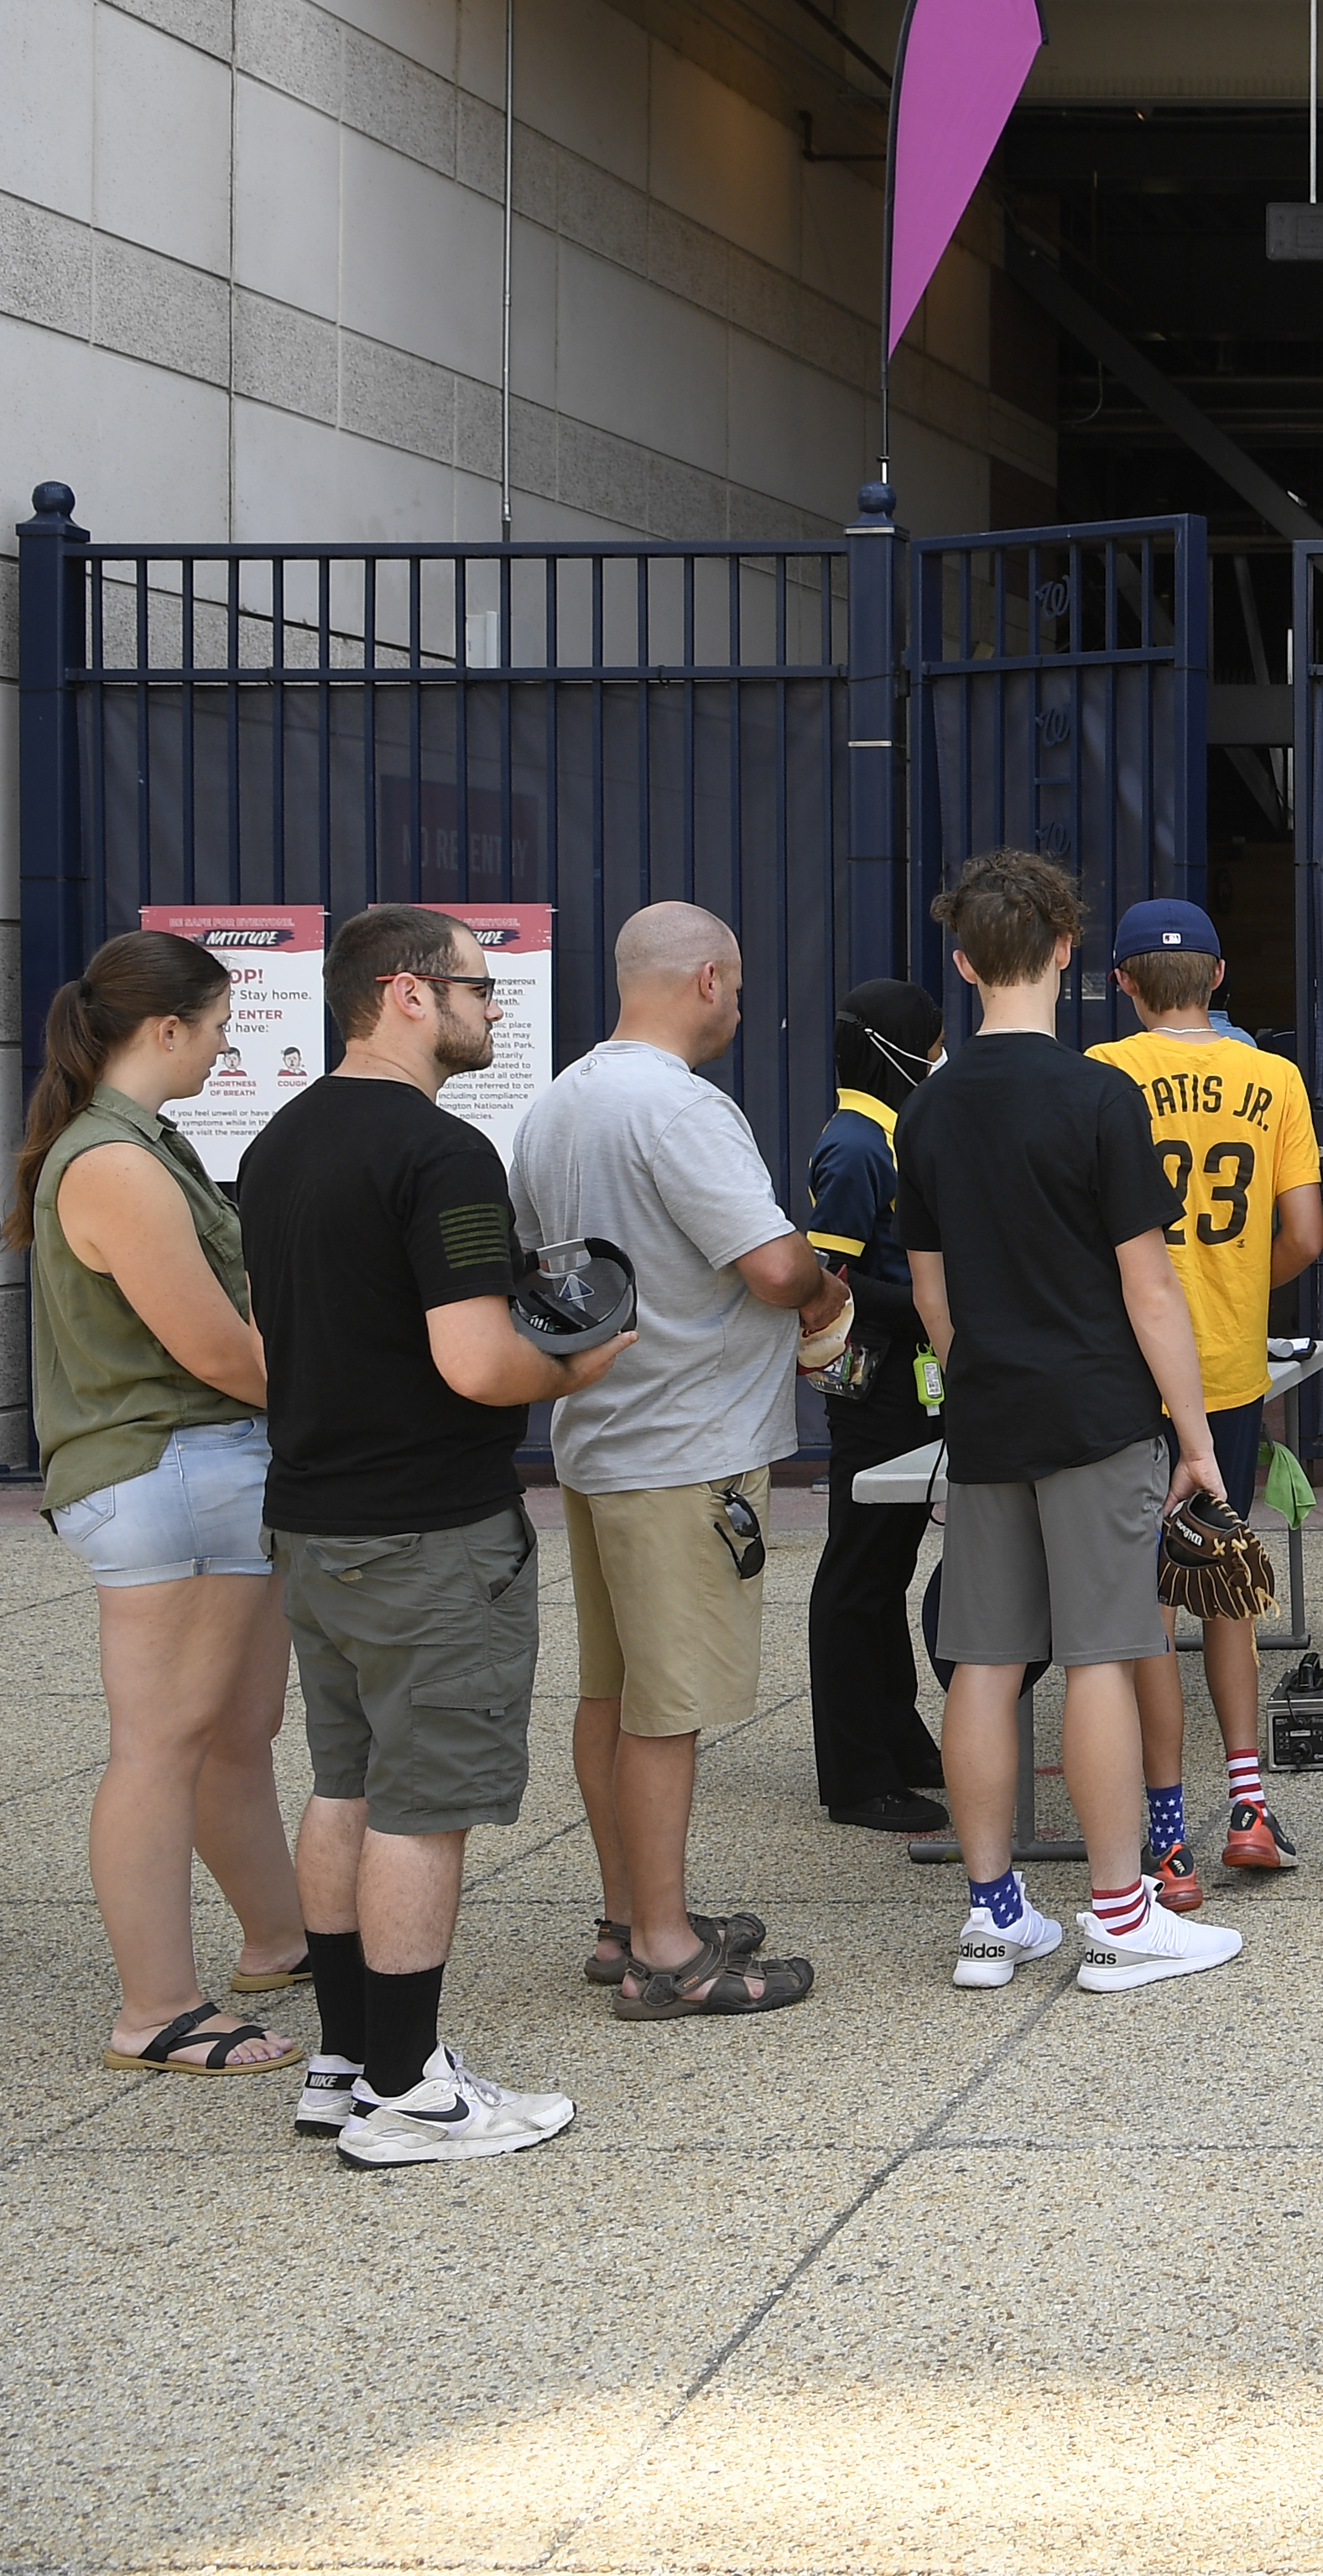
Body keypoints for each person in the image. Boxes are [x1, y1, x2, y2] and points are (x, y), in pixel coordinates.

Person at [245, 904, 627, 2164]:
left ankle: (346, 2057)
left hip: (315, 1519)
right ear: (407, 993)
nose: (494, 1003)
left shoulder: (282, 1141)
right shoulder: (443, 1152)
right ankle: (409, 2092)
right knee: (423, 1804)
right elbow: (474, 1362)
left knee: (345, 1780)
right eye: (479, 982)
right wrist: (582, 1363)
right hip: (426, 1530)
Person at [895, 850, 1240, 1996]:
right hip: (1096, 1408)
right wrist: (1193, 1433)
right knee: (1105, 1649)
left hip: (990, 1412)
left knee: (983, 1659)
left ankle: (995, 1914)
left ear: (959, 958)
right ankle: (1118, 1912)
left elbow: (935, 1294)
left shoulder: (928, 1106)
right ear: (1064, 950)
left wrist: (979, 1376)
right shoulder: (1099, 1094)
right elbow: (1149, 1285)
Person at [513, 903, 840, 2020]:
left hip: (600, 1440)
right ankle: (667, 1951)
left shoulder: (555, 1103)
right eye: (739, 987)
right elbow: (772, 1264)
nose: (741, 1008)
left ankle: (624, 1916)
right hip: (688, 1448)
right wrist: (826, 1285)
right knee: (668, 1708)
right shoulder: (681, 1108)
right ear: (706, 978)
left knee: (610, 1692)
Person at [20, 931, 306, 2078]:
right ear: (167, 1026)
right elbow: (215, 1349)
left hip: (193, 1470)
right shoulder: (117, 1163)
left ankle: (281, 1939)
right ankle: (157, 2007)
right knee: (159, 1748)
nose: (231, 1040)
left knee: (231, 1736)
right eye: (223, 1020)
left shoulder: (126, 1144)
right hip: (177, 1468)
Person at [1089, 900, 1323, 1899]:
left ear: (1123, 981)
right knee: (1224, 1580)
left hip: (1122, 1369)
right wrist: (1231, 1292)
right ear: (1221, 975)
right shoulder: (1273, 1078)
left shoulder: (1100, 1072)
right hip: (1226, 1367)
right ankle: (1248, 1805)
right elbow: (1307, 1236)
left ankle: (1166, 1837)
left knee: (1143, 1606)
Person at [801, 979, 952, 1833]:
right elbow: (829, 1283)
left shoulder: (890, 1130)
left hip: (914, 1381)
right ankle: (855, 1776)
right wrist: (935, 1305)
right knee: (857, 1577)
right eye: (930, 1042)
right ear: (896, 1048)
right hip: (879, 1389)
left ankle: (898, 1737)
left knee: (887, 1569)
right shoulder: (859, 1145)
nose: (939, 1056)